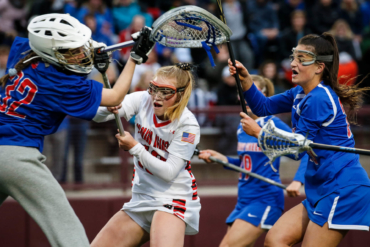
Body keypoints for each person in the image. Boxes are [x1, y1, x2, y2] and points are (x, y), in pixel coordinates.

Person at [0, 13, 154, 246]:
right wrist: (135, 57)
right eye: (71, 51)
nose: (80, 54)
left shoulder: (26, 54)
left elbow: (94, 109)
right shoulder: (59, 82)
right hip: (16, 155)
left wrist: (92, 51)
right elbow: (115, 95)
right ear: (51, 53)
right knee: (63, 223)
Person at [229, 32, 370, 246]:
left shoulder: (319, 98)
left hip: (342, 188)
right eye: (294, 56)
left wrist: (259, 133)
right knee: (275, 240)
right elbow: (264, 107)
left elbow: (297, 149)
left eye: (301, 59)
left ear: (319, 67)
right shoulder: (300, 93)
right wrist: (247, 81)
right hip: (321, 187)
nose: (293, 63)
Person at [92, 63, 201, 247]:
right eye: (154, 88)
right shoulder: (143, 99)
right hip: (141, 196)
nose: (157, 96)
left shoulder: (188, 125)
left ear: (181, 94)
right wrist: (107, 107)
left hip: (173, 198)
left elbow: (169, 172)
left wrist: (134, 147)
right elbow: (96, 116)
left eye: (165, 91)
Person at [198, 75, 307, 247]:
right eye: (243, 93)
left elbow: (305, 151)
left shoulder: (273, 124)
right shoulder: (243, 126)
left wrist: (298, 180)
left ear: (263, 95)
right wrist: (222, 159)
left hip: (265, 198)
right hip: (243, 199)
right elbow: (245, 166)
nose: (246, 98)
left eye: (251, 92)